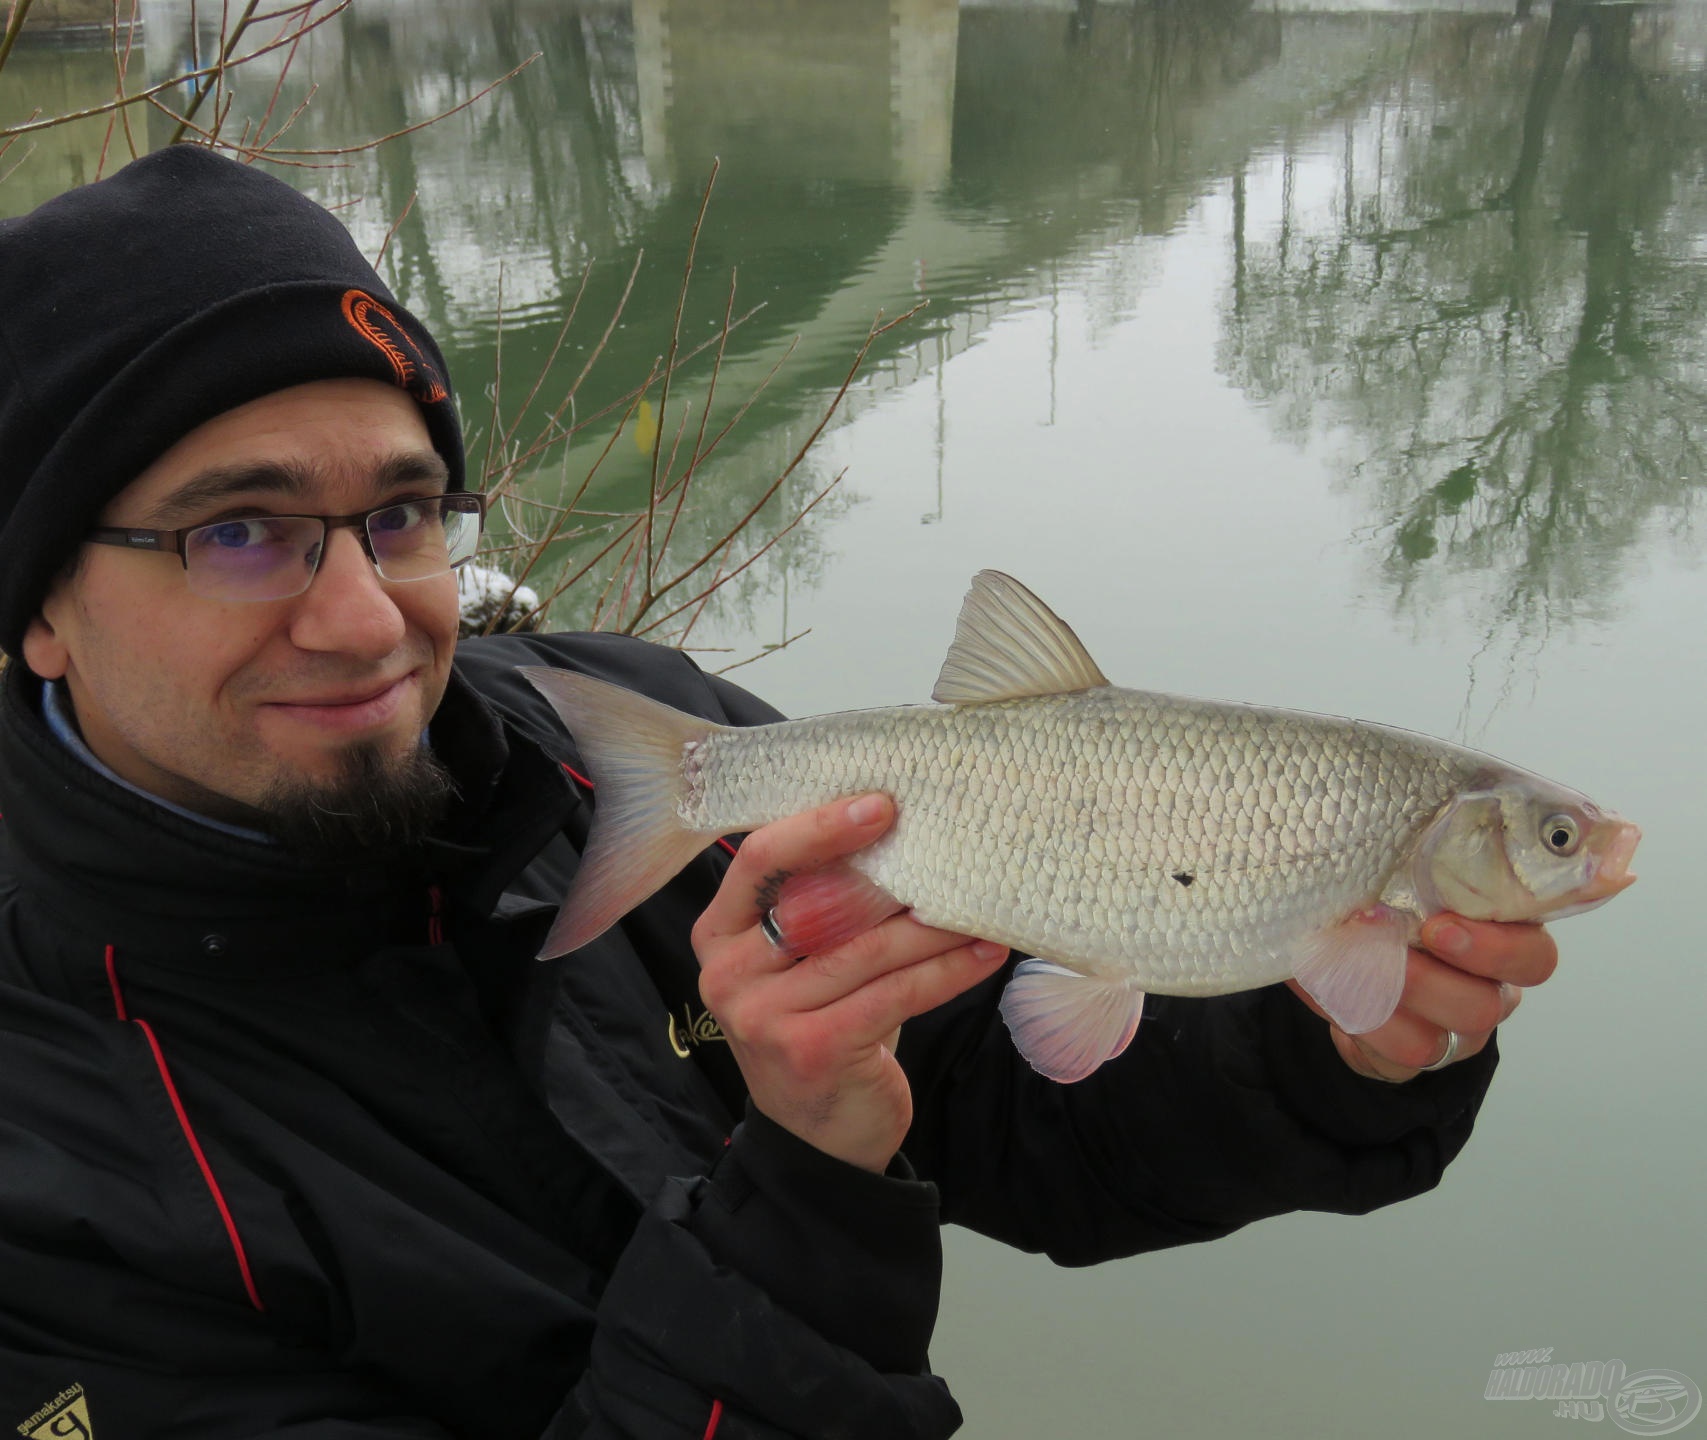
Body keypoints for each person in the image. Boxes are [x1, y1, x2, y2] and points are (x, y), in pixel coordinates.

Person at [0, 146, 1553, 1439]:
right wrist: (806, 1184)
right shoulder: (45, 1188)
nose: (361, 617)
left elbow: (1013, 1112)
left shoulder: (625, 736)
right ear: (39, 607)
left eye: (402, 514)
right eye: (239, 534)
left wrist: (1321, 1043)